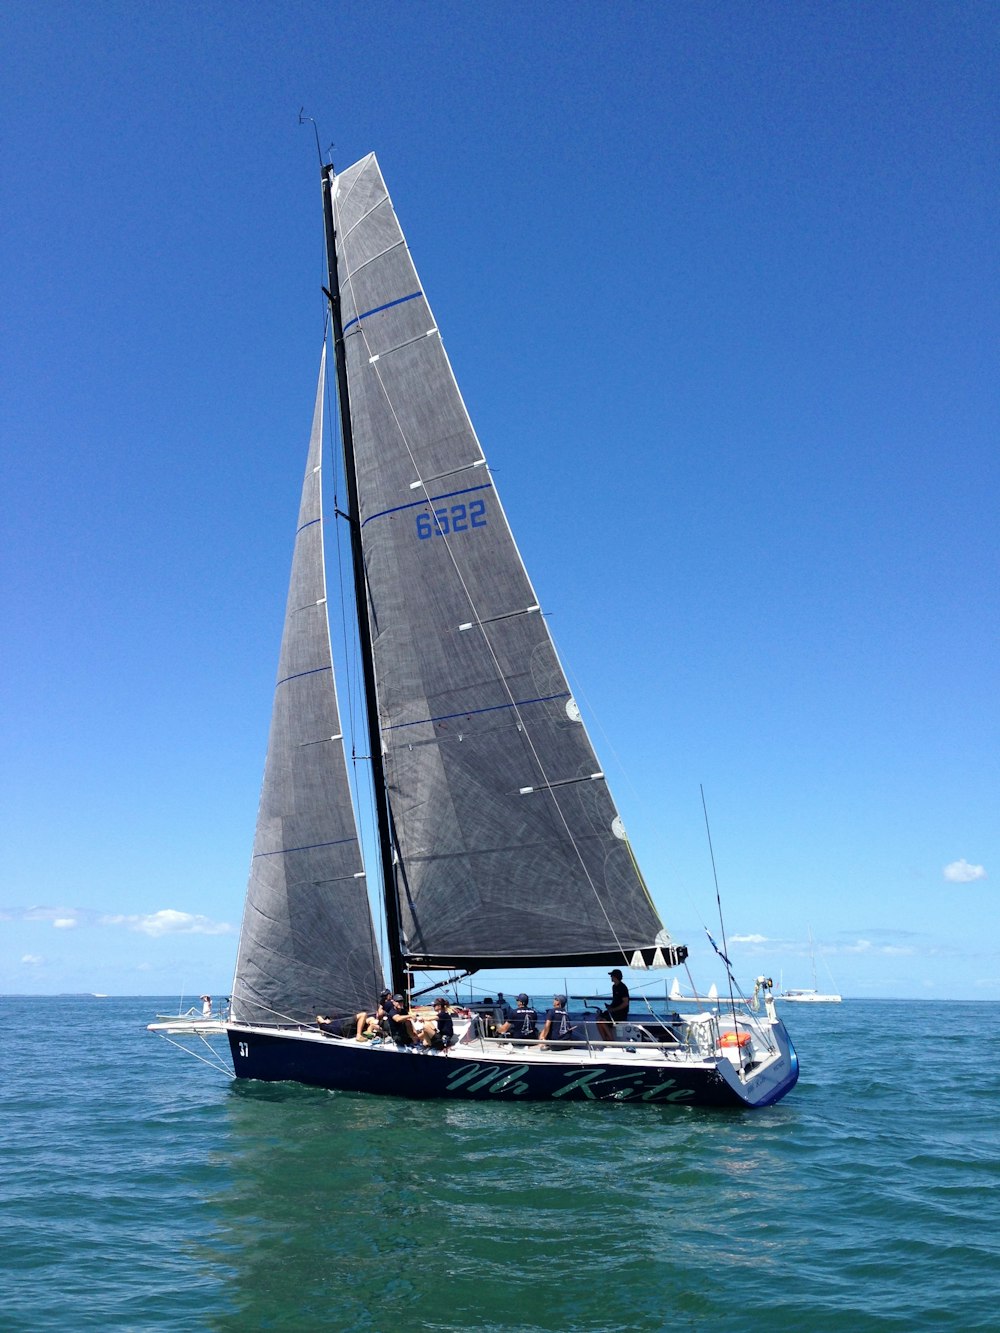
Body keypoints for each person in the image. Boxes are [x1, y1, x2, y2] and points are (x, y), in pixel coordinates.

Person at [596, 968, 630, 1042]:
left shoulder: (622, 987)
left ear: (615, 977)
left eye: (611, 976)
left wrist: (613, 1009)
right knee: (599, 1019)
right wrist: (609, 1006)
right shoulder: (614, 987)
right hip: (614, 1011)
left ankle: (611, 1040)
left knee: (603, 1021)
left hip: (621, 1013)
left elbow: (625, 1003)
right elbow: (615, 1001)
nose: (611, 977)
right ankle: (605, 1040)